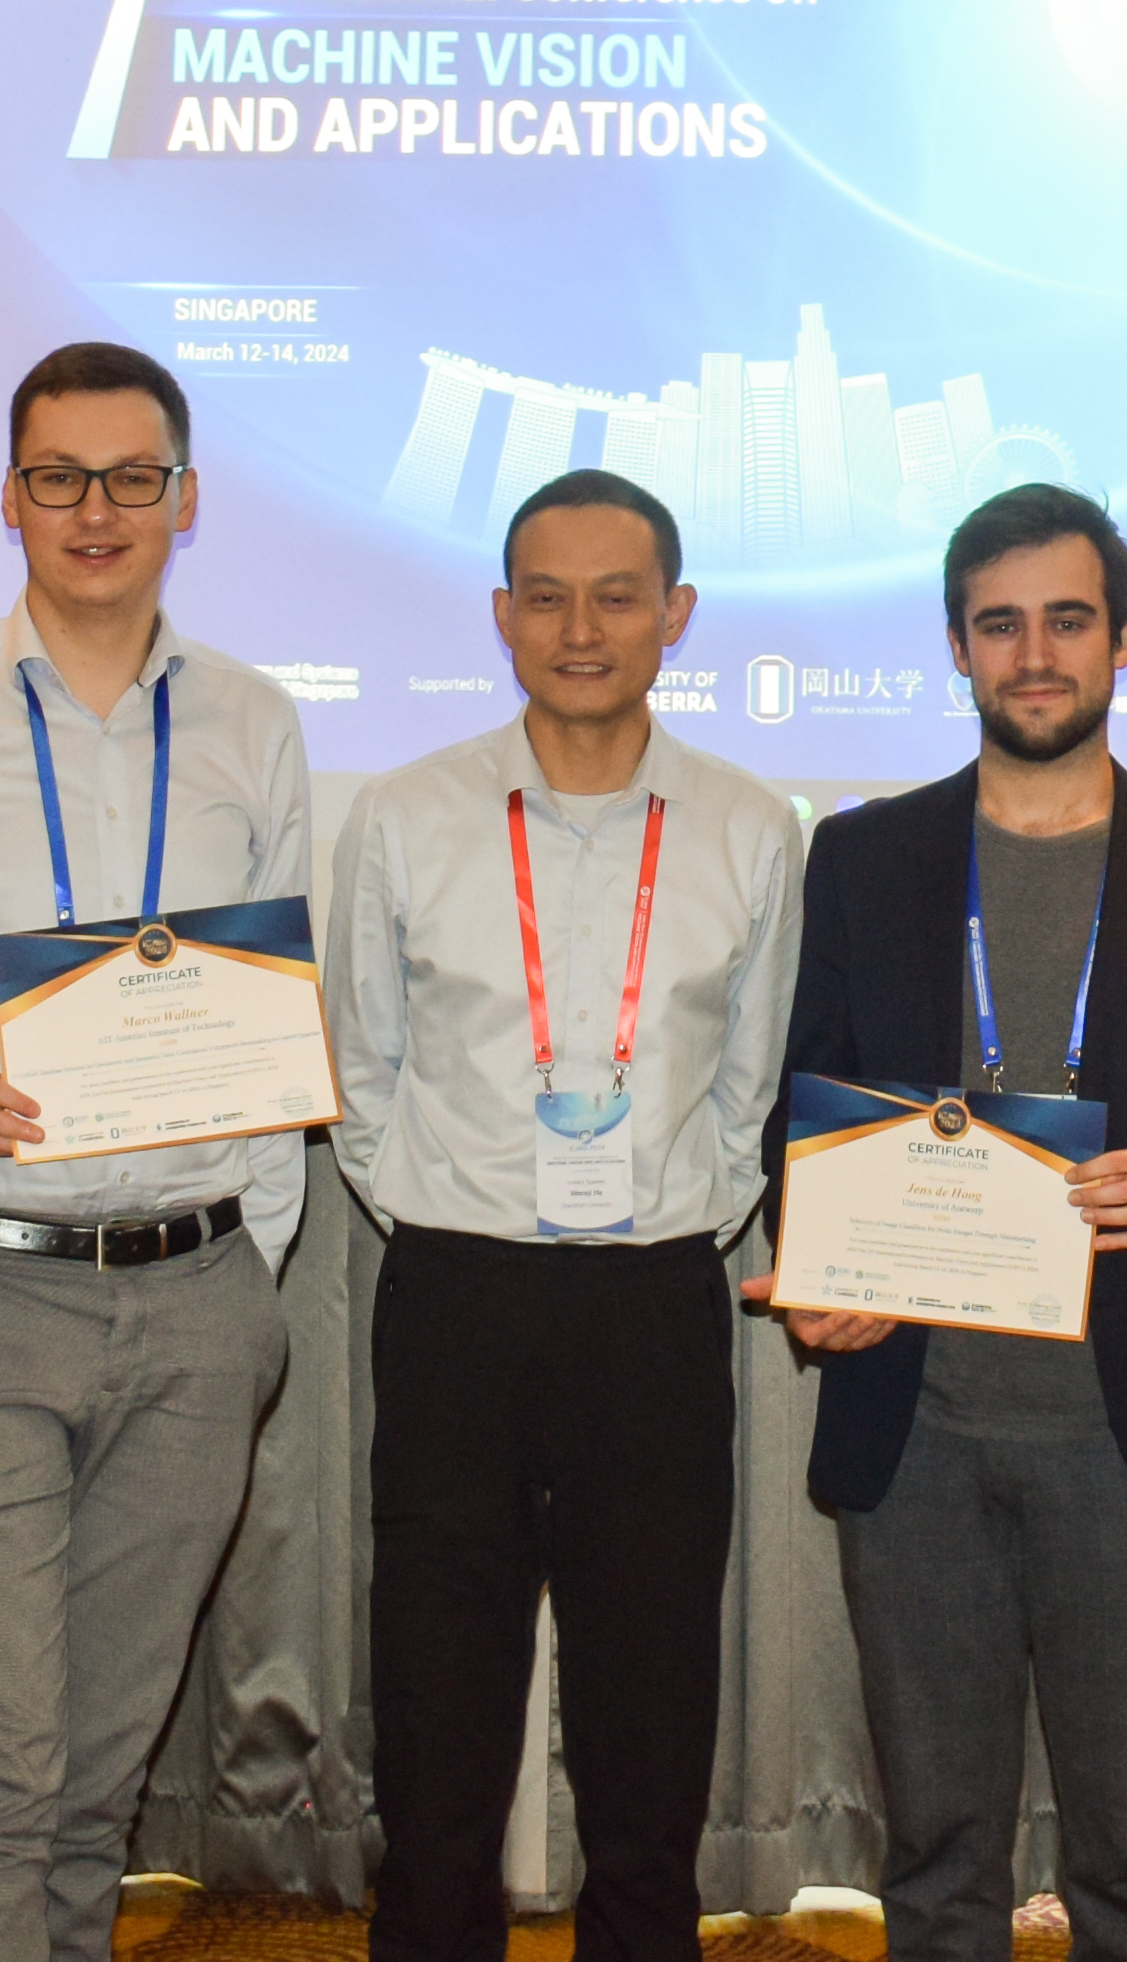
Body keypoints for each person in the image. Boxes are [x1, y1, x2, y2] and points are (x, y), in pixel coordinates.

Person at [762, 485, 1127, 1962]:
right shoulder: (864, 859)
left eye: (1066, 620)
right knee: (936, 1859)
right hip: (917, 1425)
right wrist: (820, 1262)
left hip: (1123, 1438)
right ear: (956, 646)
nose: (1033, 652)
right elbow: (802, 1108)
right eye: (999, 622)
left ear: (1124, 640)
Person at [0, 341, 316, 1962]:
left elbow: (280, 994)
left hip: (193, 1304)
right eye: (58, 475)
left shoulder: (255, 721)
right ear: (7, 496)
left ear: (186, 499)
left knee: (96, 1789)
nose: (94, 508)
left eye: (131, 477)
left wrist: (244, 1261)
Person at [325, 468, 803, 1962]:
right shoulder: (404, 816)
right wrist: (453, 1203)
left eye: (617, 594)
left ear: (677, 615)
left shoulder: (748, 824)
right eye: (546, 593)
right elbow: (361, 1068)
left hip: (655, 1306)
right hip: (459, 1298)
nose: (579, 626)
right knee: (438, 1722)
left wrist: (693, 1207)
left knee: (649, 1728)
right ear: (500, 615)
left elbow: (753, 1080)